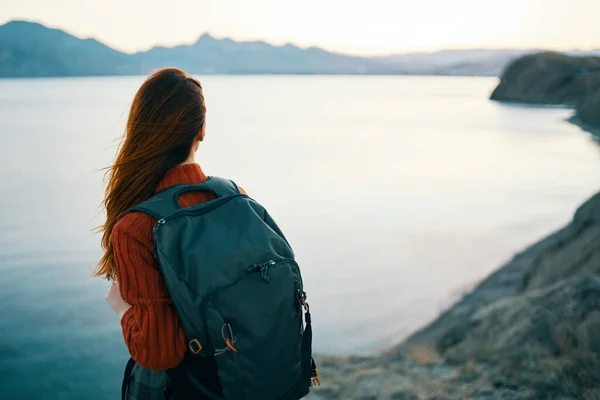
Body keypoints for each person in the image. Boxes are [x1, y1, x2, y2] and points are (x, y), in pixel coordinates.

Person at [96, 68, 316, 400]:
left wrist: (123, 309)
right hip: (257, 379)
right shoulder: (234, 195)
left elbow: (159, 353)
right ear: (201, 131)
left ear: (138, 131)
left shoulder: (135, 228)